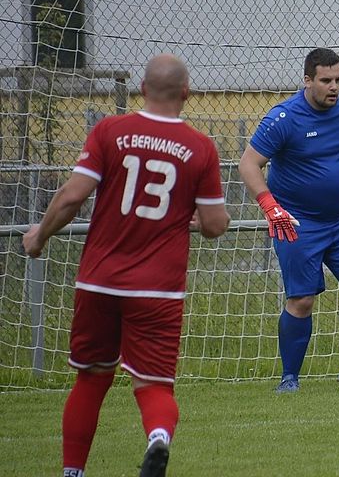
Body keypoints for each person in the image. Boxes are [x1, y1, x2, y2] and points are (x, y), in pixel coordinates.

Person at [22, 54, 230, 477]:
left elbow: (71, 197)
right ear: (186, 94)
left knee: (92, 378)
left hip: (99, 281)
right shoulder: (200, 148)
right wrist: (205, 217)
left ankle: (72, 471)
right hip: (158, 289)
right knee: (153, 384)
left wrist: (39, 235)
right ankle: (157, 437)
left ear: (141, 89)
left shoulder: (109, 131)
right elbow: (213, 226)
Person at [238, 47, 339, 393]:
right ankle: (289, 379)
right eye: (326, 80)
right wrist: (270, 206)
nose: (334, 87)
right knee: (302, 299)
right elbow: (248, 164)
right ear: (308, 80)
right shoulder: (284, 118)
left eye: (338, 79)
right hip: (297, 222)